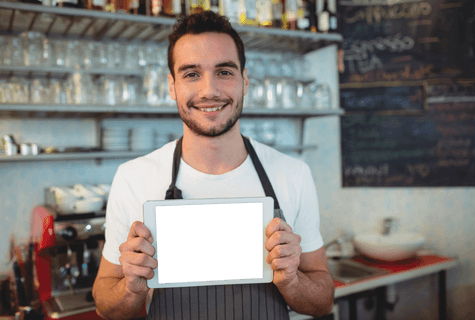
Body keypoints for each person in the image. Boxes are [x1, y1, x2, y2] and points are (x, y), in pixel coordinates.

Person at [92, 10, 335, 320]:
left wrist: (293, 280)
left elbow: (323, 300)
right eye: (191, 73)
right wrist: (131, 287)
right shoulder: (133, 178)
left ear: (244, 81)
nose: (209, 90)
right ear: (172, 86)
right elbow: (104, 305)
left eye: (224, 71)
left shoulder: (293, 174)